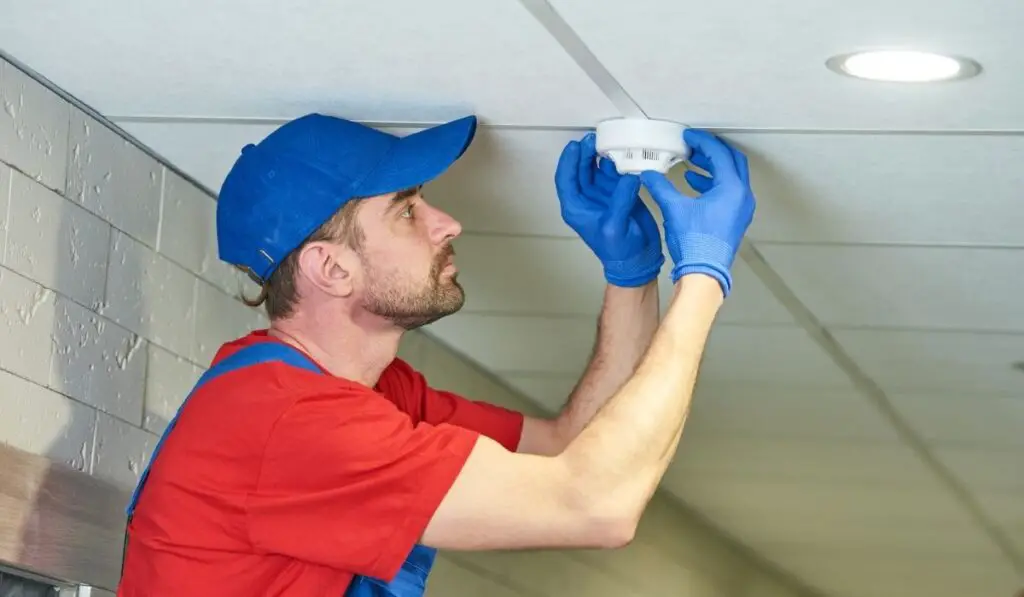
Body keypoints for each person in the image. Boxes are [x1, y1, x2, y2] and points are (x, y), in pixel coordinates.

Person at [115, 112, 755, 597]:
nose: (447, 223)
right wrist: (702, 276)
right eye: (406, 212)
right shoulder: (289, 423)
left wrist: (632, 274)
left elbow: (569, 450)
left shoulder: (369, 393)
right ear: (331, 268)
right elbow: (597, 505)